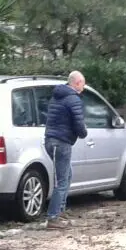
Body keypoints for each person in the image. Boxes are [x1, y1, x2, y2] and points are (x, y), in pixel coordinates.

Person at [43, 70, 88, 229]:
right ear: (77, 83)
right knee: (61, 181)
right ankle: (53, 217)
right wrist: (83, 133)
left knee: (67, 175)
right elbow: (78, 121)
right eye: (83, 83)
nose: (84, 86)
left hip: (52, 140)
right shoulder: (73, 99)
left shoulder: (57, 96)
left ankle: (60, 211)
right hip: (61, 142)